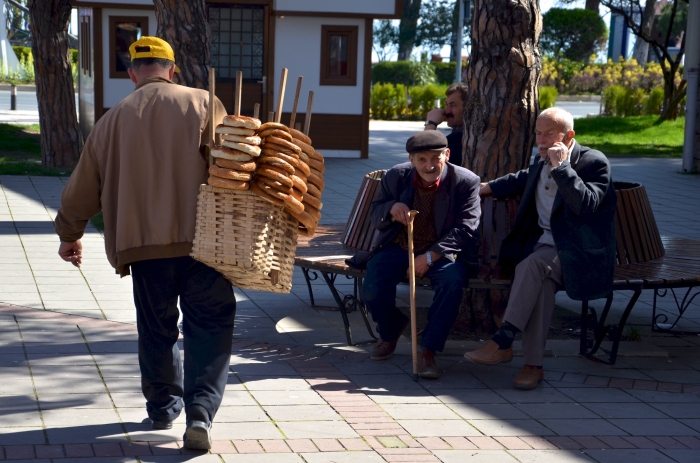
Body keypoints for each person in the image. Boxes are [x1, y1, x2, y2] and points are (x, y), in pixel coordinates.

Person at [54, 37, 231, 450]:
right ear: (172, 70)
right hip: (204, 242)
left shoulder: (111, 120)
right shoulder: (206, 104)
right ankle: (200, 415)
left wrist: (70, 235)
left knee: (156, 328)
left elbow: (83, 189)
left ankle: (162, 408)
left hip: (142, 246)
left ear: (133, 74)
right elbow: (233, 168)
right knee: (209, 325)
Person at [464, 107, 617, 390]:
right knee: (541, 281)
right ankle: (532, 366)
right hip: (546, 250)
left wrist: (563, 169)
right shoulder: (540, 159)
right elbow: (523, 178)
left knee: (532, 265)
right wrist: (484, 188)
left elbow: (585, 206)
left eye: (549, 134)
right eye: (538, 133)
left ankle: (503, 340)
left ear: (568, 136)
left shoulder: (594, 163)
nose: (542, 139)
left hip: (579, 252)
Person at [352, 131, 481, 379]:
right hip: (399, 245)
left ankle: (428, 350)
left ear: (447, 155)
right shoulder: (396, 176)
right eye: (421, 159)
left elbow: (467, 228)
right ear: (411, 160)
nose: (429, 166)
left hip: (443, 251)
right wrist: (392, 207)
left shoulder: (465, 181)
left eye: (435, 158)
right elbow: (376, 211)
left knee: (452, 283)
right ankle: (390, 330)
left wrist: (430, 257)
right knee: (371, 288)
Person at [424, 82, 467, 167]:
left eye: (452, 105)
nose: (446, 111)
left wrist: (431, 124)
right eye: (446, 104)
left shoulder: (457, 139)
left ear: (467, 108)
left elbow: (423, 158)